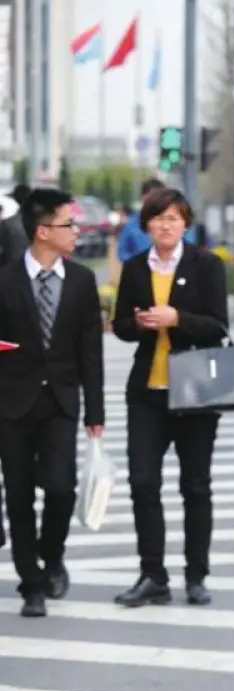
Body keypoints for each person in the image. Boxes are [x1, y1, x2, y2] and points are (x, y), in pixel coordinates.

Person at [111, 187, 228, 608]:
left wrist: (176, 318)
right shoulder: (136, 268)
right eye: (158, 219)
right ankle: (152, 575)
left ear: (186, 224)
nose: (165, 226)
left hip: (195, 389)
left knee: (195, 486)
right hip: (148, 391)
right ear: (147, 225)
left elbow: (218, 325)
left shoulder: (207, 266)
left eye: (174, 219)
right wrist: (140, 324)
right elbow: (121, 325)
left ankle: (196, 575)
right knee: (143, 482)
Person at [0, 188, 106, 617]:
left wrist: (95, 413)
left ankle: (52, 552)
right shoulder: (4, 278)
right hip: (11, 403)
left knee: (61, 487)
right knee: (19, 494)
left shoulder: (82, 280)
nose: (76, 231)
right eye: (69, 224)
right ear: (43, 231)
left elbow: (90, 351)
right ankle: (32, 584)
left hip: (62, 400)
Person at [116, 178, 197, 262]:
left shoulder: (180, 221)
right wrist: (140, 264)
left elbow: (190, 246)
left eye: (171, 219)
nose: (165, 226)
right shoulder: (131, 225)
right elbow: (123, 252)